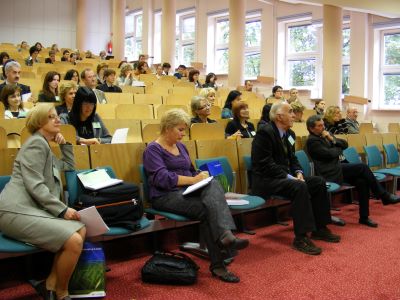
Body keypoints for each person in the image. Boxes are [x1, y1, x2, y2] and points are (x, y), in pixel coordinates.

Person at [143, 109, 249, 283]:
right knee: (207, 209)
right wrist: (193, 180)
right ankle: (222, 252)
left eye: (184, 130)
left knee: (213, 182)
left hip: (186, 191)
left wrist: (200, 176)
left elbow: (192, 170)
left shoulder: (181, 147)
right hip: (165, 196)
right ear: (168, 128)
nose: (183, 134)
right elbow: (161, 179)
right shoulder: (152, 150)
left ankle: (225, 238)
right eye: (180, 130)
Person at [0, 103, 85, 300]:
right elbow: (35, 186)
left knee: (80, 228)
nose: (58, 120)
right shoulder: (36, 144)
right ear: (39, 122)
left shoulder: (44, 145)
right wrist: (62, 210)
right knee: (74, 240)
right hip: (14, 210)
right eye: (51, 117)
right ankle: (61, 293)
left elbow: (68, 166)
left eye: (57, 116)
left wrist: (64, 145)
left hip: (29, 209)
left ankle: (50, 285)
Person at [251, 102, 340, 255]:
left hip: (284, 178)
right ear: (279, 116)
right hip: (266, 180)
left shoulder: (290, 135)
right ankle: (301, 238)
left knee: (318, 182)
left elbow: (292, 159)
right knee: (299, 186)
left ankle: (320, 228)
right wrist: (290, 177)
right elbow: (264, 164)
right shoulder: (264, 133)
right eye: (290, 112)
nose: (294, 115)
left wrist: (298, 172)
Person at [306, 114, 400, 228]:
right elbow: (330, 154)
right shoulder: (312, 141)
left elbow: (345, 144)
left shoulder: (327, 135)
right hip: (330, 172)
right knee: (362, 167)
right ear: (311, 128)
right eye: (319, 126)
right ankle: (383, 195)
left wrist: (332, 140)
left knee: (362, 181)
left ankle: (364, 217)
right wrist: (337, 148)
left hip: (339, 167)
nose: (323, 127)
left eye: (323, 125)